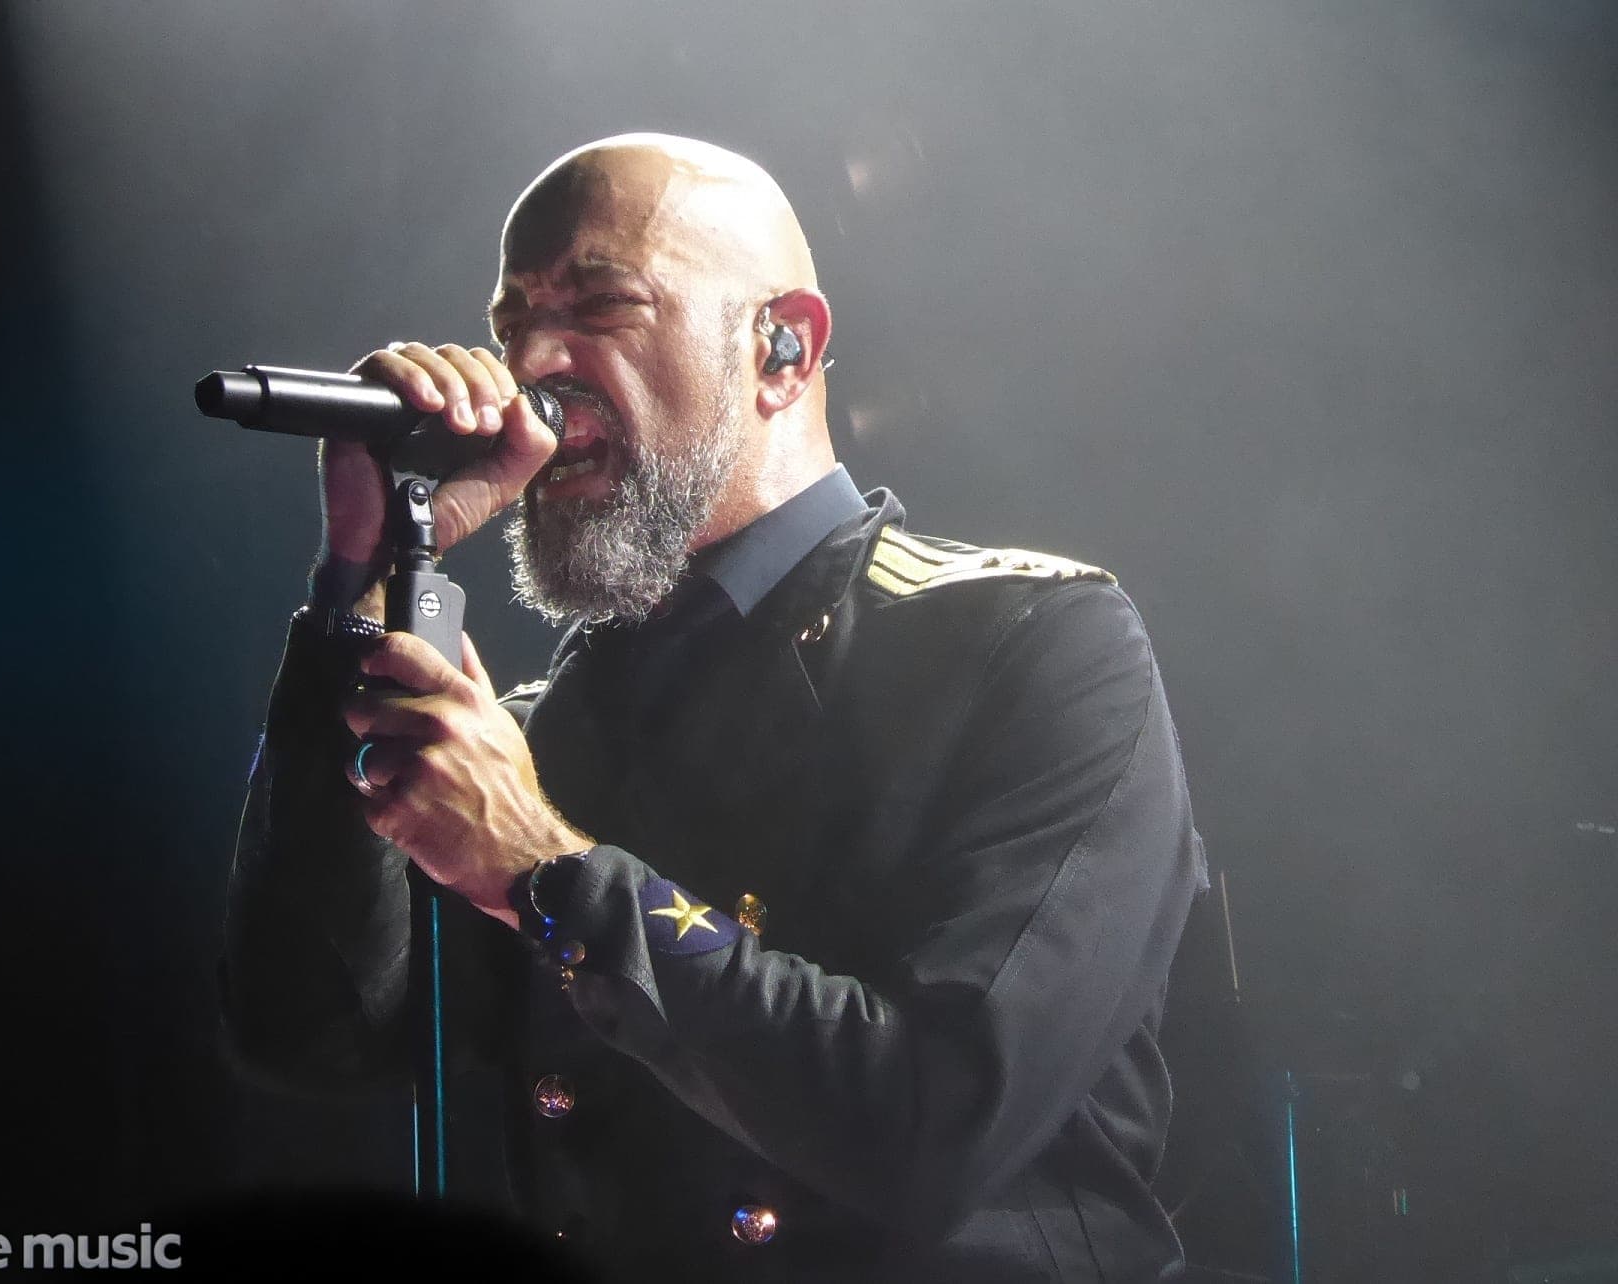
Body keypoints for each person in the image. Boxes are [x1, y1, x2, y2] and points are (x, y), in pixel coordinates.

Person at [219, 133, 1208, 1283]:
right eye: (513, 321)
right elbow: (312, 1032)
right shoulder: (548, 723)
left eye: (601, 305)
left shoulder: (1029, 644)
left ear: (783, 349)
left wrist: (543, 869)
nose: (532, 362)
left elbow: (937, 1121)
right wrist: (365, 583)